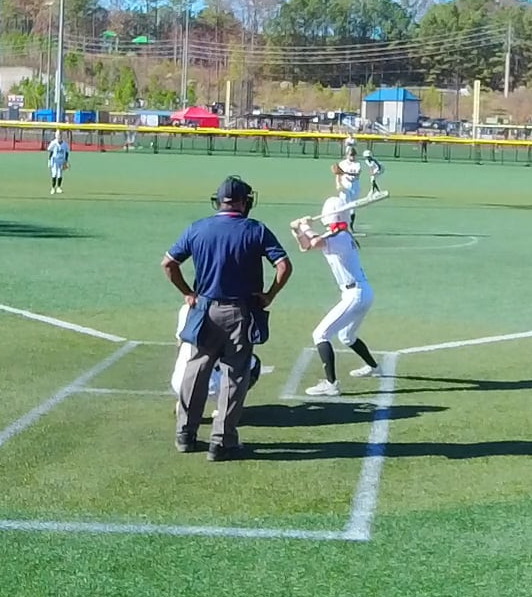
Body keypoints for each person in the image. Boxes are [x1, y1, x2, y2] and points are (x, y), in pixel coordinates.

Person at [162, 176, 292, 461]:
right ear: (245, 202)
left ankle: (185, 434)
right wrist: (269, 295)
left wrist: (188, 293)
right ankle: (222, 441)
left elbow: (168, 263)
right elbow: (283, 265)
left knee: (196, 370)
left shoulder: (198, 228)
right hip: (240, 313)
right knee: (234, 375)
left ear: (218, 201)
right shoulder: (256, 229)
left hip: (204, 310)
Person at [289, 191, 383, 397]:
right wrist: (297, 230)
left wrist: (305, 226)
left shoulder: (340, 237)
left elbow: (315, 242)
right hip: (360, 293)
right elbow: (306, 246)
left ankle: (331, 384)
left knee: (320, 335)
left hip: (356, 294)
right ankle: (374, 367)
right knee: (346, 336)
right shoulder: (336, 235)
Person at [332, 146, 362, 231]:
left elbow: (357, 174)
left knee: (353, 206)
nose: (352, 156)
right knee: (343, 205)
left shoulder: (357, 164)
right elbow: (338, 175)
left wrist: (345, 172)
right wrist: (338, 184)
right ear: (347, 155)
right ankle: (342, 226)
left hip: (354, 185)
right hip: (345, 185)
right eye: (351, 155)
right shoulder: (342, 163)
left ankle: (351, 227)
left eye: (354, 155)